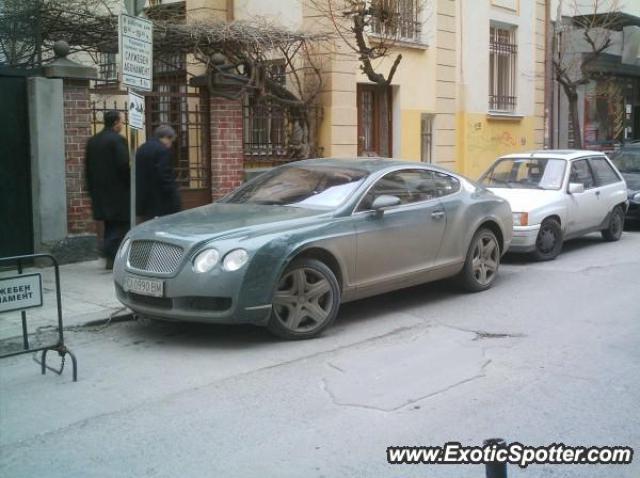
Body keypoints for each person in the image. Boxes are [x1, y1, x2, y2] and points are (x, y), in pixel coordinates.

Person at [85, 110, 130, 270]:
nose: (122, 125)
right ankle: (108, 250)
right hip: (118, 191)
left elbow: (87, 168)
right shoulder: (118, 140)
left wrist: (90, 189)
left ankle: (111, 258)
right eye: (122, 122)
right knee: (122, 224)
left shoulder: (93, 141)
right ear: (116, 122)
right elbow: (123, 166)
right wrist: (130, 184)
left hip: (99, 191)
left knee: (110, 223)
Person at [136, 124, 181, 222]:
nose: (171, 145)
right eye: (171, 141)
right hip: (159, 200)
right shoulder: (162, 151)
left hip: (143, 198)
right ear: (166, 138)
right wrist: (174, 195)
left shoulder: (142, 148)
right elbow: (164, 175)